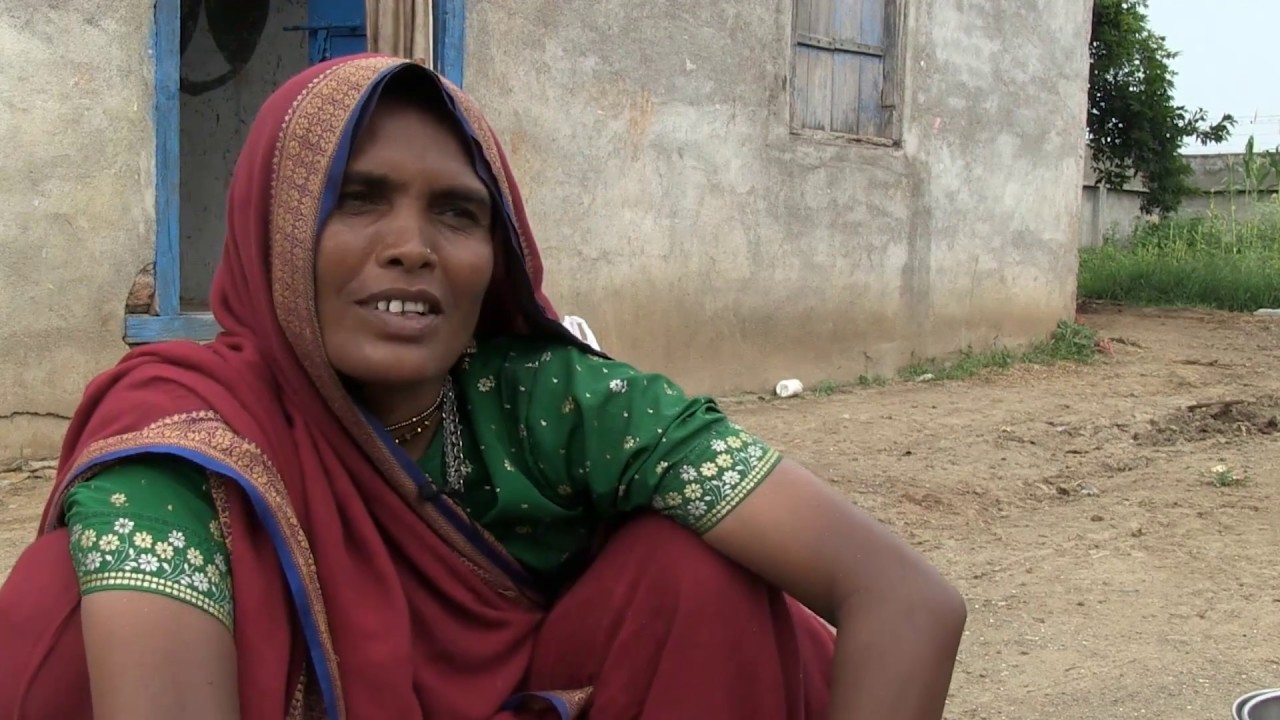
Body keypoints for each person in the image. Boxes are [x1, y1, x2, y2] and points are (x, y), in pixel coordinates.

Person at [0, 54, 966, 719]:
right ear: (274, 227)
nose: (412, 247)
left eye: (456, 213)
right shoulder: (185, 434)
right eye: (358, 198)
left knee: (698, 577)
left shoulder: (550, 404)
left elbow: (906, 600)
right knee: (56, 601)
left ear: (494, 255)